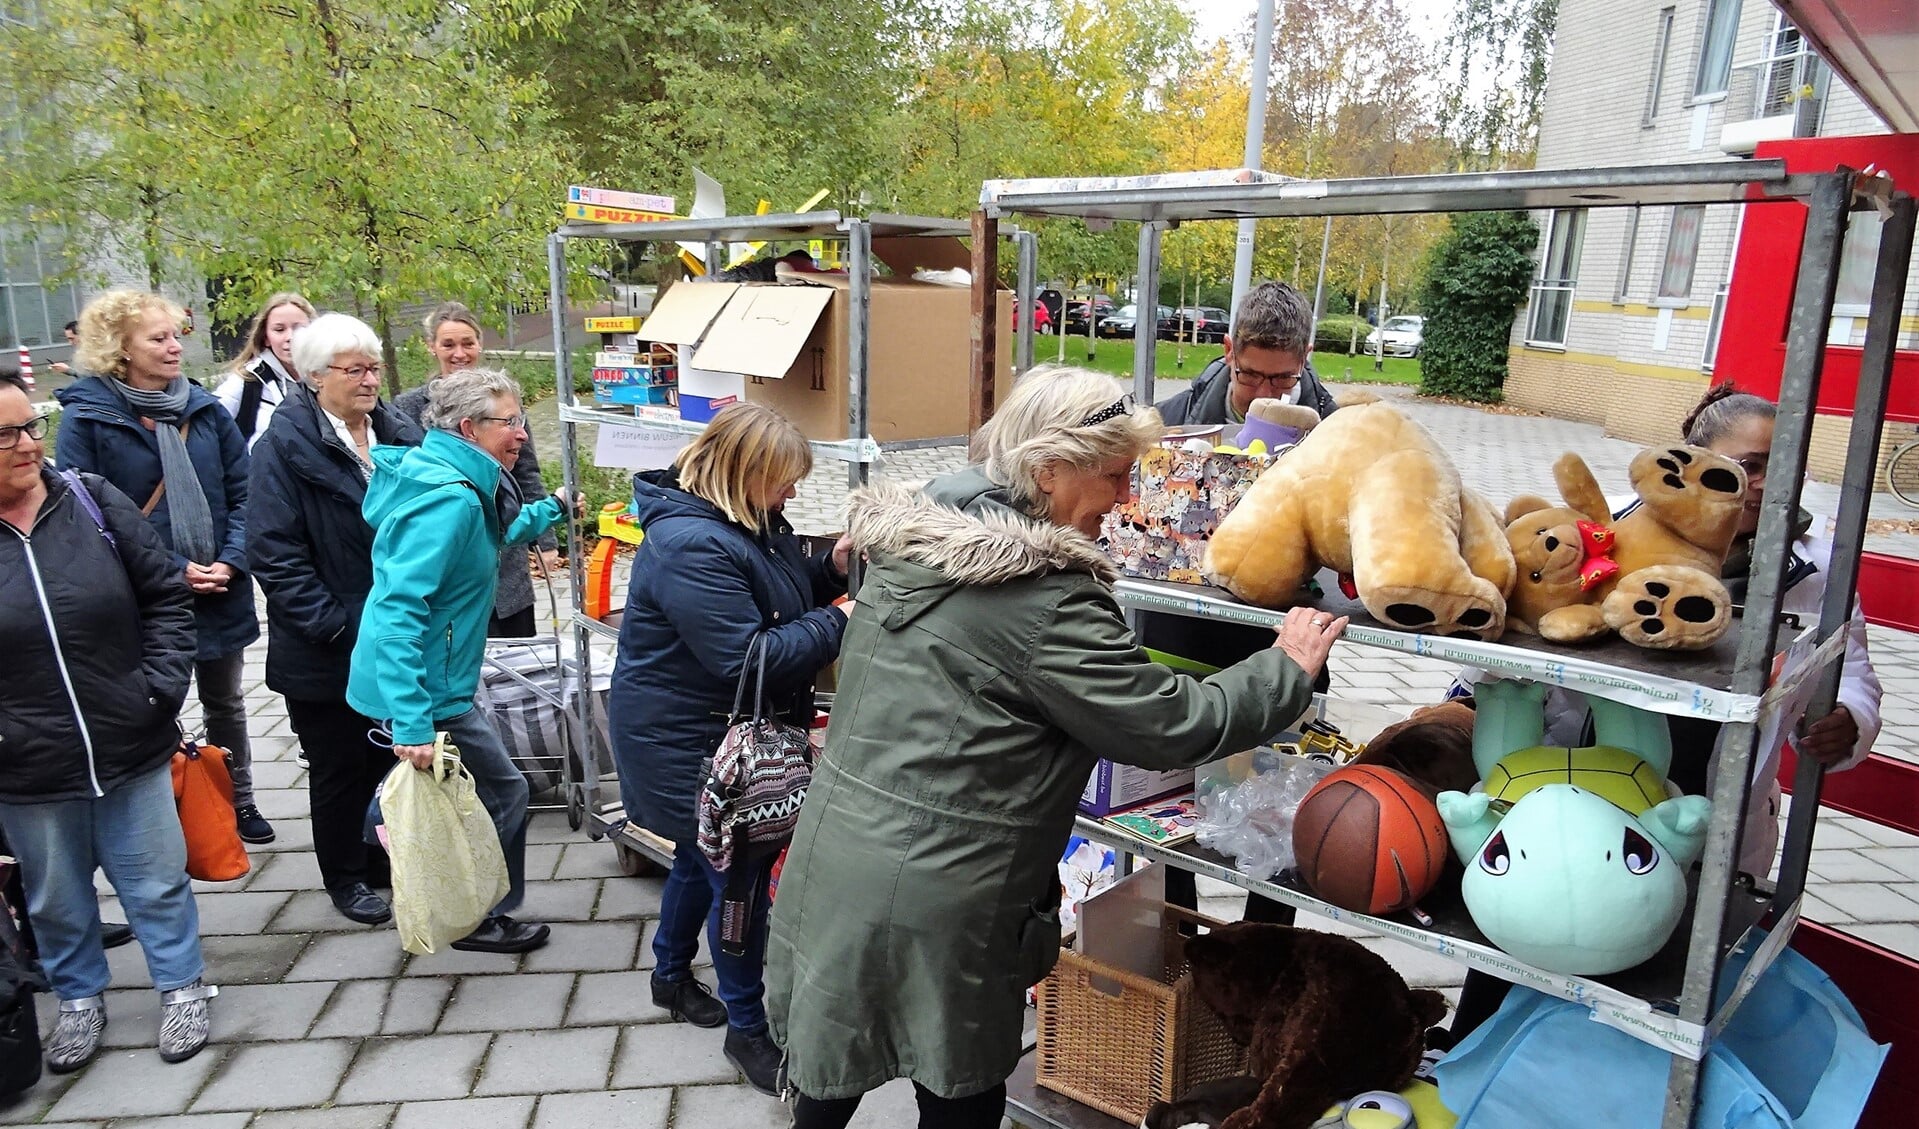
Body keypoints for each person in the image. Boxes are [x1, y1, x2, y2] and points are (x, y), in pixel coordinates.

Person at [766, 367, 1346, 1129]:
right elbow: (1169, 723)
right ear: (1047, 470)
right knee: (960, 1079)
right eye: (1112, 474)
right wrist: (1284, 668)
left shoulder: (913, 535)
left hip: (840, 850)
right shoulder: (1046, 596)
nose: (1125, 494)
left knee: (831, 1060)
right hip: (945, 887)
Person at [608, 402, 851, 1094]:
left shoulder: (743, 520)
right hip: (692, 739)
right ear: (744, 475)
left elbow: (776, 589)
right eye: (785, 481)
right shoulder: (691, 543)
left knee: (696, 855)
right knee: (737, 878)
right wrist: (840, 620)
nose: (793, 494)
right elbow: (749, 656)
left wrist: (828, 565)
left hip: (709, 733)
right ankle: (748, 1029)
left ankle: (668, 974)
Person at [0, 369, 217, 1071]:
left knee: (155, 878)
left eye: (29, 425)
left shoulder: (91, 500)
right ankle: (77, 998)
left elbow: (165, 597)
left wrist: (156, 689)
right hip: (26, 761)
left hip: (129, 735)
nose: (27, 444)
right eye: (5, 435)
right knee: (55, 895)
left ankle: (183, 987)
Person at [347, 368, 571, 953]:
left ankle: (392, 846)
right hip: (426, 684)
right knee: (506, 792)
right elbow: (399, 610)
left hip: (429, 677)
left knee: (435, 787)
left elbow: (489, 536)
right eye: (510, 422)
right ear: (470, 428)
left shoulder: (459, 480)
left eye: (521, 419)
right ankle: (477, 916)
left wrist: (550, 512)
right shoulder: (449, 499)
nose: (521, 433)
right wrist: (415, 720)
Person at [55, 290, 272, 845]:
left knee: (226, 700)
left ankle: (238, 799)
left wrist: (230, 558)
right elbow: (87, 511)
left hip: (219, 582)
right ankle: (160, 812)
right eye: (158, 338)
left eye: (176, 335)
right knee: (151, 704)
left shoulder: (201, 408)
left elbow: (244, 491)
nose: (175, 347)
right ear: (119, 348)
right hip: (140, 593)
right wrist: (171, 569)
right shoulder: (87, 416)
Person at [249, 314, 425, 926]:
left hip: (396, 632)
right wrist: (339, 628)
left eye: (374, 367)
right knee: (338, 766)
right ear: (315, 376)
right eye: (356, 370)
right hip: (327, 645)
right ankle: (344, 875)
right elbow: (273, 552)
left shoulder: (397, 434)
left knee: (389, 758)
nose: (371, 380)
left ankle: (382, 858)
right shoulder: (281, 449)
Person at [1673, 382, 1881, 875]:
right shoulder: (1618, 533)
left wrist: (1849, 717)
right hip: (1596, 777)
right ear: (1692, 461)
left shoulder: (1820, 569)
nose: (1769, 482)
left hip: (1728, 817)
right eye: (1751, 465)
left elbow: (1851, 672)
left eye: (1785, 466)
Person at [393, 302, 560, 638]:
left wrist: (545, 540)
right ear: (431, 347)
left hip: (505, 561)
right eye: (448, 344)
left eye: (467, 343)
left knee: (516, 665)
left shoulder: (504, 401)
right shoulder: (408, 408)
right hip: (450, 565)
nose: (459, 353)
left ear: (480, 345)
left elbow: (526, 473)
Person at [1154, 280, 1339, 425]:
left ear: (1304, 359)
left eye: (1283, 378)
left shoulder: (1340, 437)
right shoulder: (1166, 426)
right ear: (1229, 350)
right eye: (1250, 375)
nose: (1264, 396)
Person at [214, 292, 316, 450]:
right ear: (266, 337)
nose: (290, 337)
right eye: (279, 329)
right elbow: (209, 428)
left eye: (298, 328)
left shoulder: (327, 377)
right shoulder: (246, 381)